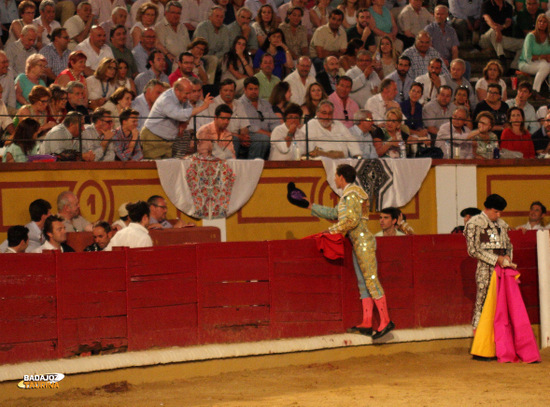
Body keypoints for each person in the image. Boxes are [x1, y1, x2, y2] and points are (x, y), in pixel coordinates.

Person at [309, 164, 394, 339]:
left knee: (371, 281)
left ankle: (385, 320)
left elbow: (351, 221)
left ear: (341, 177)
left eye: (335, 176)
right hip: (358, 242)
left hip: (362, 242)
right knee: (364, 283)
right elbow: (336, 213)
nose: (334, 179)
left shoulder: (351, 195)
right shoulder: (351, 195)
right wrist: (312, 207)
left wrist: (331, 231)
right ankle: (367, 322)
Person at [464, 194, 513, 330]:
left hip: (502, 270)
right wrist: (497, 259)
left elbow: (508, 245)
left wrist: (507, 256)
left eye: (500, 212)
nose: (498, 215)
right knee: (482, 303)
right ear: (487, 208)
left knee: (502, 303)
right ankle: (479, 340)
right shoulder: (474, 223)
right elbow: (473, 250)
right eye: (495, 212)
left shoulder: (502, 224)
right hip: (485, 270)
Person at [142, 78, 213, 159]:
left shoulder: (182, 98)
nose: (189, 96)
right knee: (155, 169)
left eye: (190, 93)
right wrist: (203, 107)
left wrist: (184, 123)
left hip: (168, 141)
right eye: (187, 93)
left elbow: (188, 111)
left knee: (167, 169)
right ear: (177, 90)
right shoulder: (166, 99)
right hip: (153, 138)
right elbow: (179, 114)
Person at [238, 76, 279, 158]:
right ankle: (254, 166)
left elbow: (274, 122)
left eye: (256, 89)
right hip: (249, 135)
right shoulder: (239, 104)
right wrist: (270, 135)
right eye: (251, 89)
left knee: (281, 138)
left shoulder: (266, 104)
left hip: (269, 135)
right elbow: (250, 127)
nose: (254, 91)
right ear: (245, 90)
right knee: (262, 139)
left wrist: (277, 133)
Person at [479, 0, 524, 71]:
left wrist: (503, 27)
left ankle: (514, 67)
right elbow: (487, 19)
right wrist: (496, 29)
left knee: (523, 43)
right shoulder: (486, 4)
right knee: (492, 31)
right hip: (486, 38)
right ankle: (501, 57)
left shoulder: (508, 6)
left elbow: (508, 21)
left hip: (501, 38)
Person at [518, 14, 550, 98]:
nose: (542, 23)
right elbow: (527, 57)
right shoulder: (531, 36)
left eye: (544, 22)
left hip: (542, 63)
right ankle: (535, 91)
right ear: (536, 23)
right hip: (527, 63)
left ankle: (536, 91)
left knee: (545, 65)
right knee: (546, 66)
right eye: (540, 21)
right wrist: (543, 57)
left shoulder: (549, 37)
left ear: (548, 24)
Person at [154, 1, 191, 67]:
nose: (176, 16)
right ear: (166, 13)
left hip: (185, 59)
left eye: (178, 13)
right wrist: (168, 54)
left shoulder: (183, 27)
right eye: (173, 12)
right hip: (169, 59)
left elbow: (188, 46)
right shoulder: (159, 27)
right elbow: (160, 49)